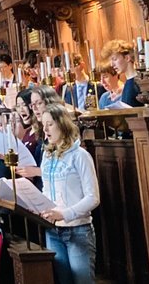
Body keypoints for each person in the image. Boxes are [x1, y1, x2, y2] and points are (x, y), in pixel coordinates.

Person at [38, 104, 99, 284]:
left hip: (77, 230)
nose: (45, 129)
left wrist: (64, 214)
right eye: (43, 124)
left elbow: (93, 197)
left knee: (82, 281)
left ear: (62, 124)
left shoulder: (80, 155)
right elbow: (46, 190)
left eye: (49, 124)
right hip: (53, 230)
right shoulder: (47, 156)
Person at [102, 40, 142, 107]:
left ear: (127, 58)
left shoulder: (137, 82)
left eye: (114, 59)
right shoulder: (128, 82)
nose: (112, 64)